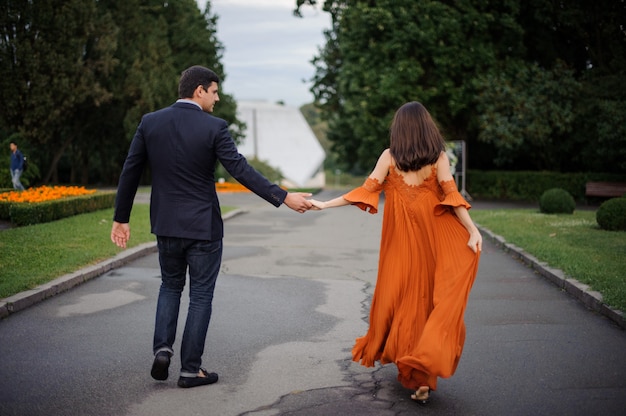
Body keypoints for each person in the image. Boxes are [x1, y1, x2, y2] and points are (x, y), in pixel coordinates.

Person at [111, 65, 312, 388]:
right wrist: (283, 197)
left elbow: (130, 171)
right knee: (201, 296)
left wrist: (121, 218)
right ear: (199, 90)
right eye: (215, 92)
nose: (217, 99)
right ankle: (191, 369)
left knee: (170, 286)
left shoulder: (151, 123)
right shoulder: (214, 128)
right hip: (203, 228)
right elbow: (240, 170)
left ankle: (163, 348)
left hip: (166, 226)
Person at [309, 101, 482, 404]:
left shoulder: (389, 158)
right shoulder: (438, 158)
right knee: (427, 301)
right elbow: (452, 196)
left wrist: (325, 204)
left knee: (401, 301)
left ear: (399, 130)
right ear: (428, 128)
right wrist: (472, 229)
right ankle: (423, 373)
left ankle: (414, 365)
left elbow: (364, 190)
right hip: (432, 242)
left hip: (400, 245)